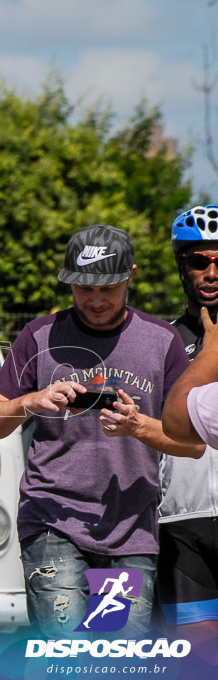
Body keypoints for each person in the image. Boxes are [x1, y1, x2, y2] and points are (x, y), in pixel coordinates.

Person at [0, 223, 203, 639]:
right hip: (52, 522)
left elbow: (193, 444)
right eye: (83, 289)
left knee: (116, 658)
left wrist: (139, 427)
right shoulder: (39, 336)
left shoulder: (162, 341)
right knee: (68, 652)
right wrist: (31, 401)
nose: (95, 300)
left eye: (107, 289)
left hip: (132, 531)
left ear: (130, 276)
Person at [156, 204, 218, 653]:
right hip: (182, 522)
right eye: (199, 261)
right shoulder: (162, 340)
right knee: (199, 655)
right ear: (183, 266)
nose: (211, 273)